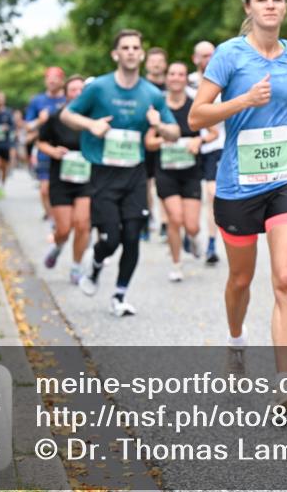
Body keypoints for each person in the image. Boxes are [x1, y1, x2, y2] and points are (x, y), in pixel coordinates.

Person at [188, 0, 287, 406]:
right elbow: (196, 117)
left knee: (284, 278)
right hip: (237, 182)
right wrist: (243, 101)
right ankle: (237, 339)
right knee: (241, 280)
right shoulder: (228, 55)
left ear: (285, 6)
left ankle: (285, 386)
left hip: (286, 173)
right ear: (249, 7)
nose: (270, 5)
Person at [62, 29, 180, 317]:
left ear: (141, 54)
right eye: (124, 47)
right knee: (111, 239)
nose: (130, 52)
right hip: (104, 172)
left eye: (135, 47)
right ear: (115, 54)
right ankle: (96, 264)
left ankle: (119, 294)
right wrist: (91, 126)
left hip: (135, 174)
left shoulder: (152, 93)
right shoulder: (99, 88)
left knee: (131, 236)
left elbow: (175, 132)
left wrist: (159, 125)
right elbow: (67, 114)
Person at [145, 61, 216, 281]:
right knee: (175, 219)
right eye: (172, 74)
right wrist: (161, 142)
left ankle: (194, 239)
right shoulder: (157, 108)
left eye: (181, 74)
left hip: (190, 172)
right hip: (166, 171)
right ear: (167, 78)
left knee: (192, 225)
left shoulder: (195, 104)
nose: (176, 77)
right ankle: (176, 265)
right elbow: (148, 142)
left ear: (186, 78)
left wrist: (199, 141)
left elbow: (214, 133)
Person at [38, 75, 94, 285]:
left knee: (82, 225)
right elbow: (41, 142)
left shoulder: (93, 118)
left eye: (82, 90)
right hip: (61, 179)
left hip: (86, 180)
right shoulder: (56, 117)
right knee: (63, 229)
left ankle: (76, 267)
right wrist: (53, 151)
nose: (78, 94)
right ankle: (58, 246)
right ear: (66, 93)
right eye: (73, 90)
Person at [192, 40, 223, 265]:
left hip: (216, 146)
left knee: (212, 195)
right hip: (188, 147)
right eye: (203, 56)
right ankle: (190, 234)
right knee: (189, 201)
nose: (207, 59)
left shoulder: (225, 82)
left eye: (211, 55)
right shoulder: (186, 83)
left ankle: (211, 243)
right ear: (195, 59)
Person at [25, 67, 67, 222]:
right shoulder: (38, 101)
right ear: (45, 80)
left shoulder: (68, 99)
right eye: (49, 78)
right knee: (44, 189)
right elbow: (28, 126)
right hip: (45, 150)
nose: (52, 81)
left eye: (56, 78)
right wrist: (40, 121)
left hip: (66, 149)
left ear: (62, 80)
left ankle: (60, 216)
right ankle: (53, 217)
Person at [143, 47, 168, 241]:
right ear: (146, 64)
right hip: (145, 140)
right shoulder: (141, 87)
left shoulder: (172, 85)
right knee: (145, 182)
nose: (156, 64)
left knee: (164, 182)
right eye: (152, 61)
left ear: (165, 64)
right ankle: (147, 215)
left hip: (167, 140)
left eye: (159, 61)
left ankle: (165, 222)